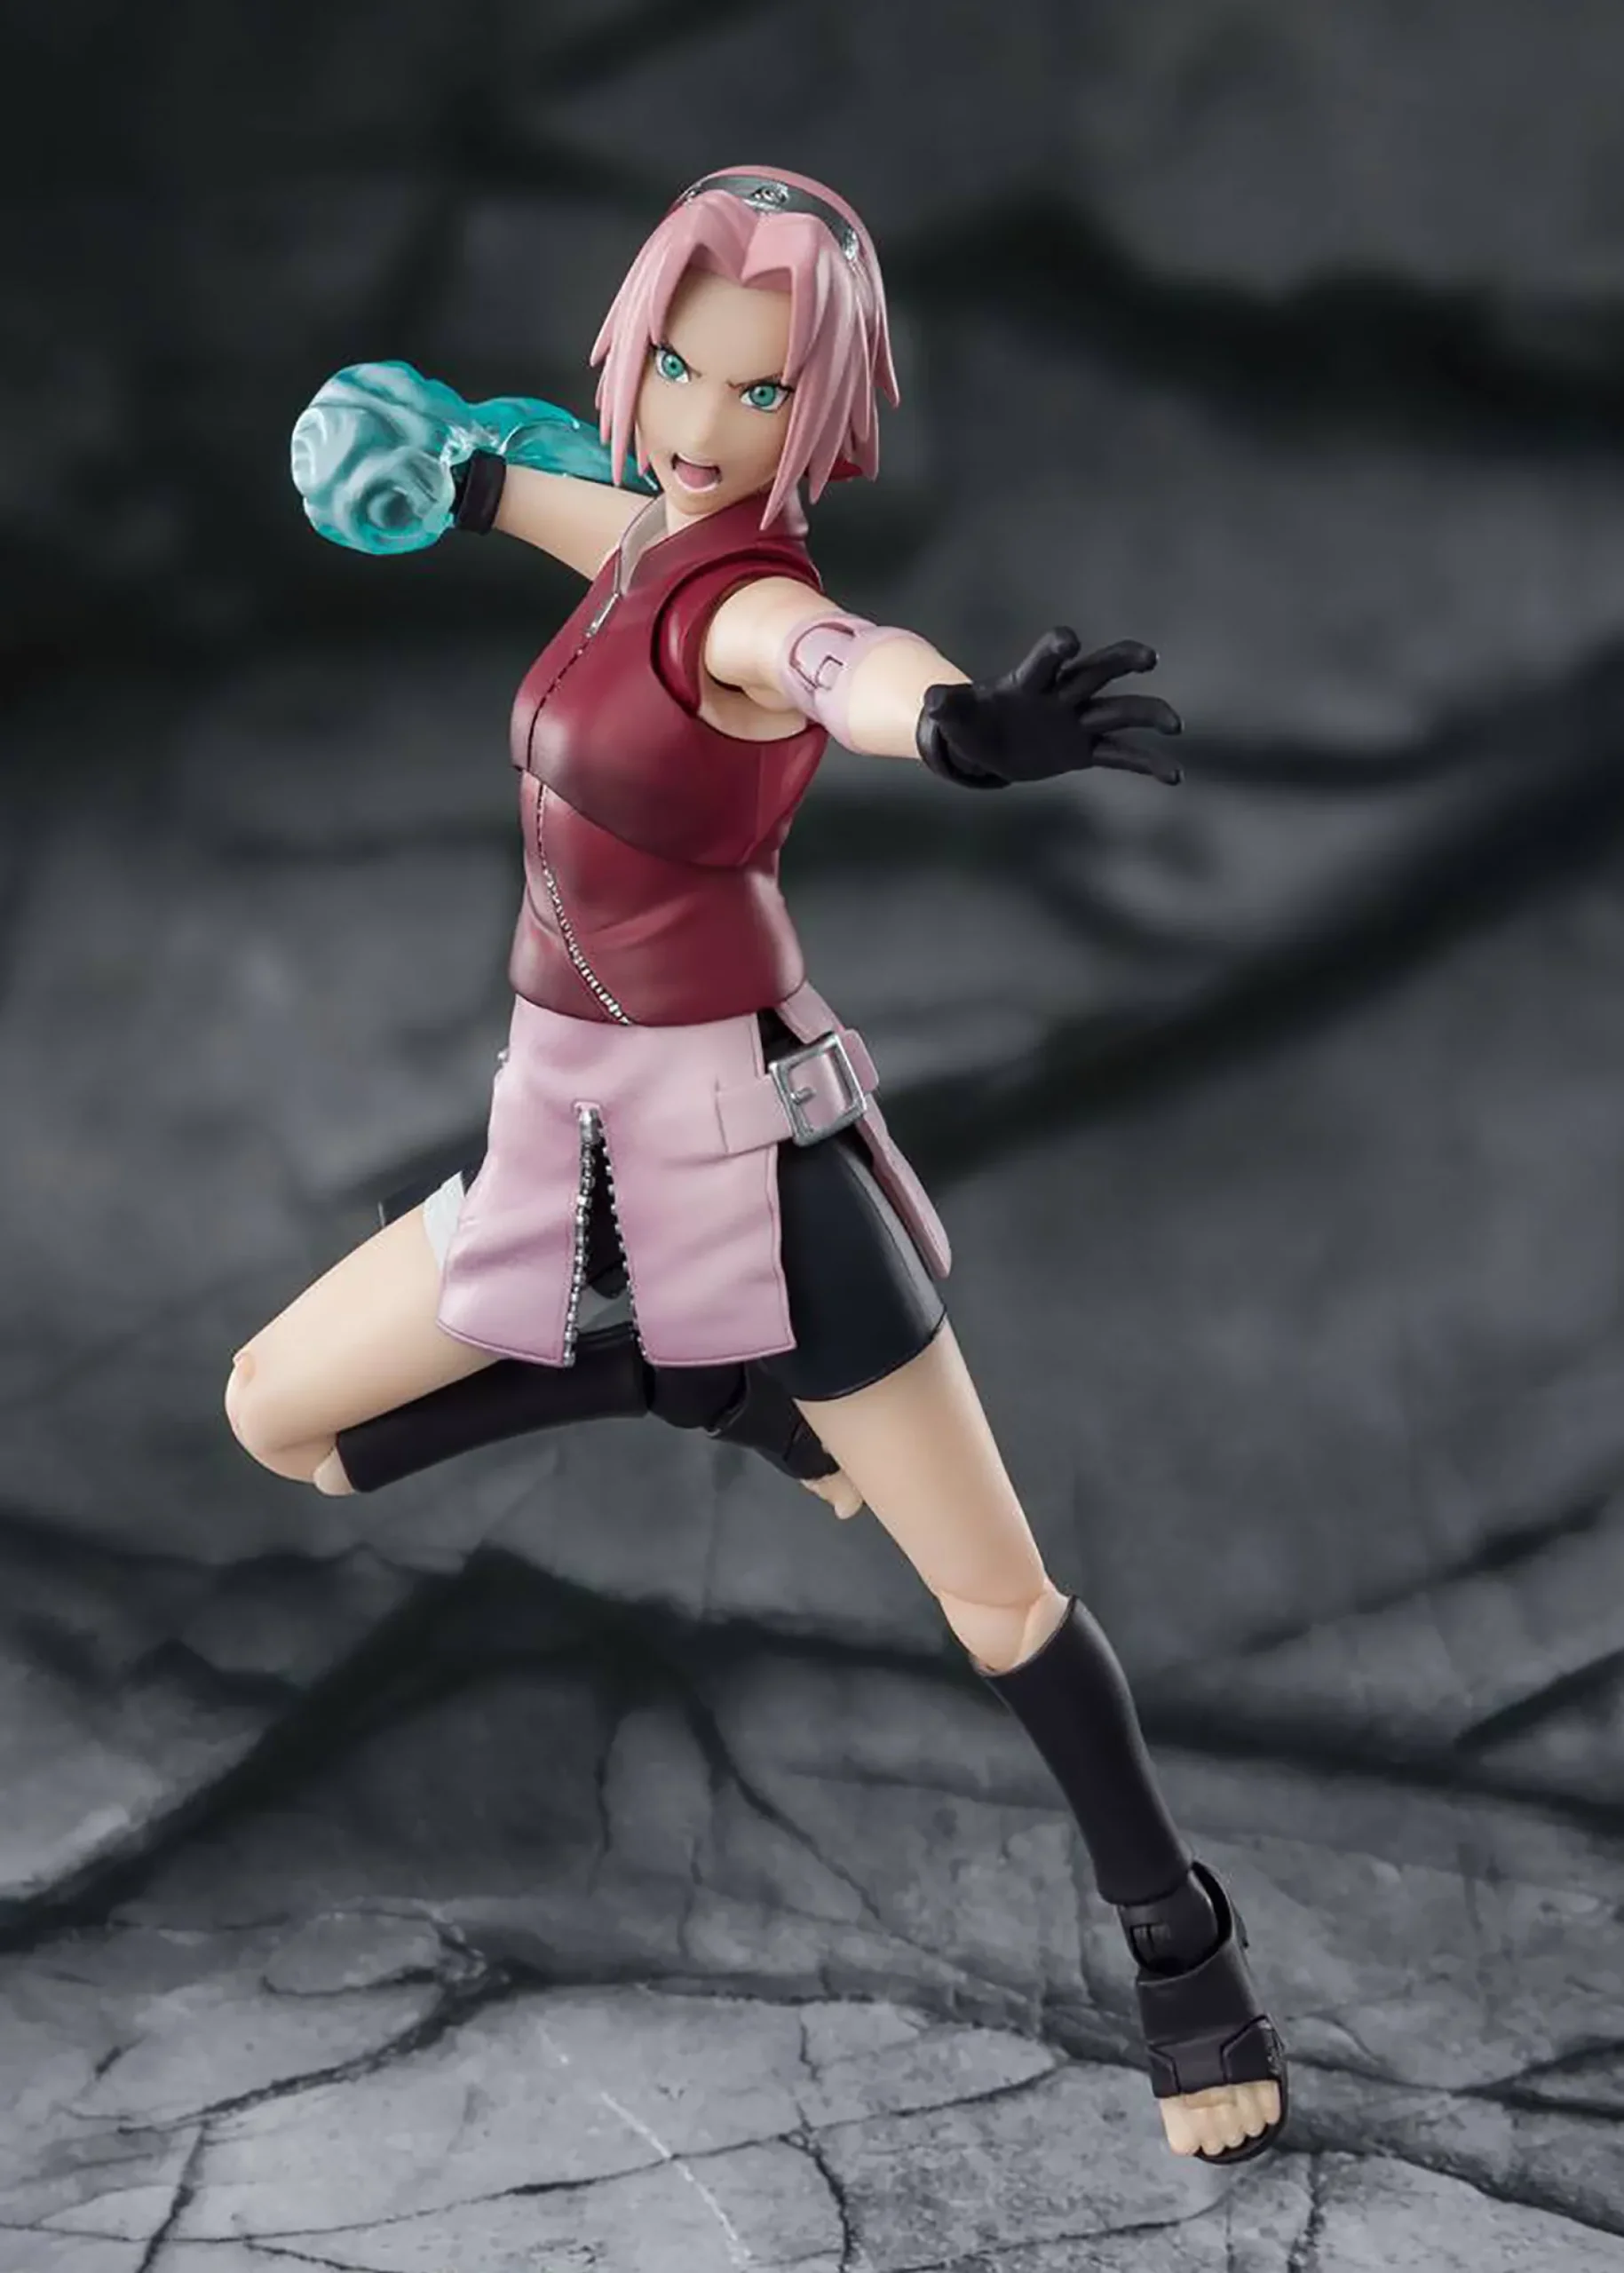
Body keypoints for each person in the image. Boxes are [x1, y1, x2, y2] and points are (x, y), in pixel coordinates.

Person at [226, 167, 1287, 2165]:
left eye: (757, 391)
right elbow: (533, 496)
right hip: (560, 1128)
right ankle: (677, 1376)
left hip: (741, 1152)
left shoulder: (743, 602)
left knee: (997, 1602)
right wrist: (433, 466)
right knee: (283, 1417)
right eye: (677, 370)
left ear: (822, 412)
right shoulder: (645, 532)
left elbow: (836, 662)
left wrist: (955, 723)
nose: (701, 423)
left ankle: (1181, 1941)